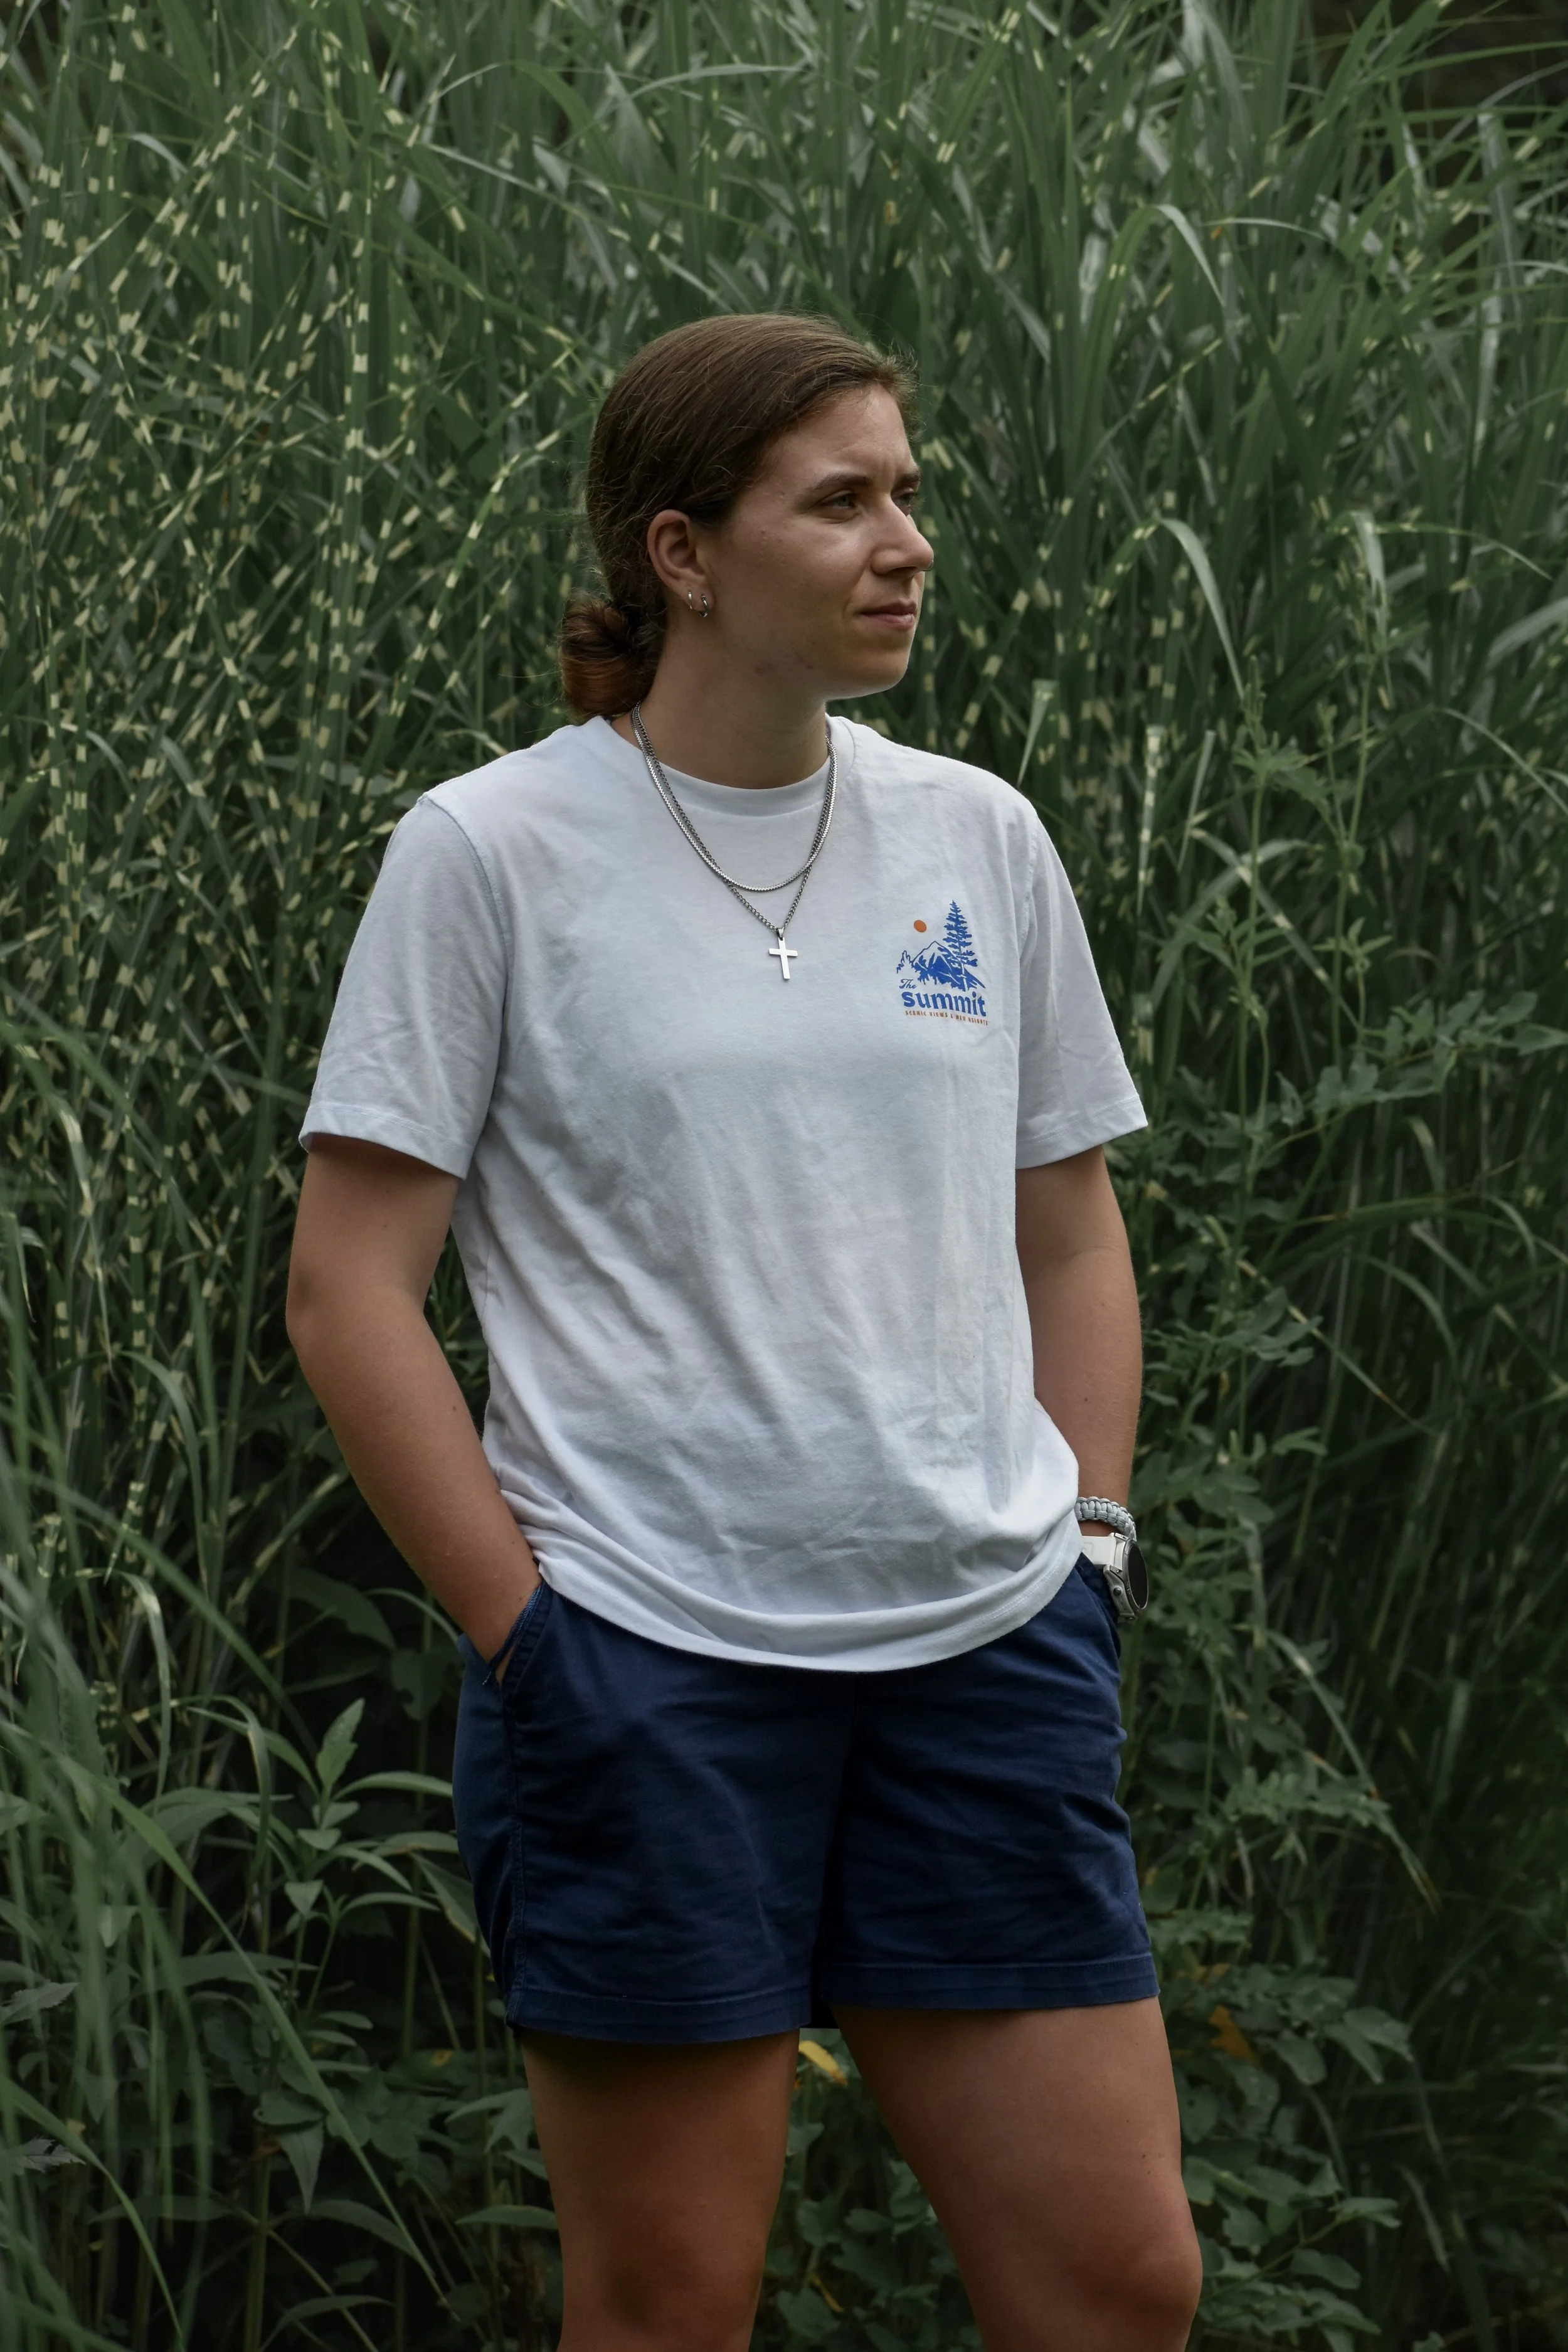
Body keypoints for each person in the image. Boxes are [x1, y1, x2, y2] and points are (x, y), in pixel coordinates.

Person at [287, 312, 1202, 2352]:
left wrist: (1094, 1548)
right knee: (670, 2303)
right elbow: (350, 1289)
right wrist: (535, 1644)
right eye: (843, 501)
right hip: (647, 1666)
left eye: (910, 493)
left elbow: (1070, 1229)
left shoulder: (976, 832)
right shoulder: (490, 853)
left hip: (985, 1651)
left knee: (1120, 2284)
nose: (907, 542)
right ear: (682, 552)